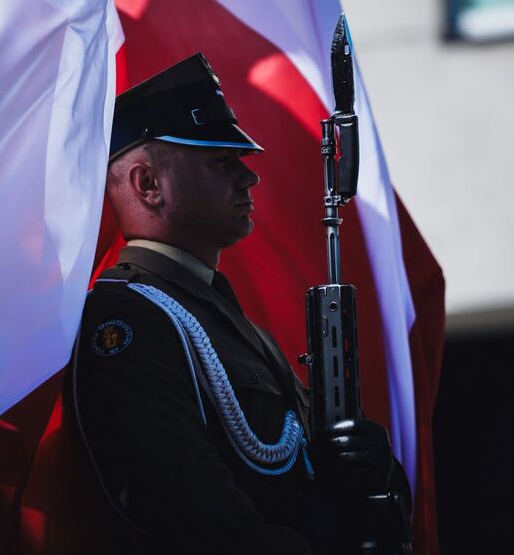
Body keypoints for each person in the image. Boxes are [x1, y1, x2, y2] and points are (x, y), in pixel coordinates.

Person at [68, 53, 405, 555]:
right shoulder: (128, 320)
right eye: (222, 162)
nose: (250, 179)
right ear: (148, 184)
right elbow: (189, 514)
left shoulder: (224, 320)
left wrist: (374, 473)